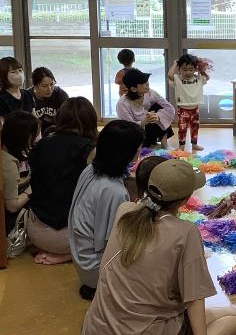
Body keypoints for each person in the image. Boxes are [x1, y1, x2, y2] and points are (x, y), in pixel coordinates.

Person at [80, 159, 236, 335]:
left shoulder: (125, 211)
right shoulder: (185, 232)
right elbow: (195, 299)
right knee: (235, 317)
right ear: (187, 199)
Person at [68, 120, 144, 301]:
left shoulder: (91, 169)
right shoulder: (114, 192)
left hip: (81, 258)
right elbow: (112, 242)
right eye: (138, 148)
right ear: (127, 152)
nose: (140, 151)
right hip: (96, 268)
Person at [28, 97, 98, 265]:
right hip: (71, 239)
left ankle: (59, 253)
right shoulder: (88, 148)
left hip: (35, 234)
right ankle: (67, 255)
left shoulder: (42, 144)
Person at [1, 111, 40, 234]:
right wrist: (31, 190)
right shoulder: (8, 162)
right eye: (33, 136)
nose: (34, 141)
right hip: (6, 222)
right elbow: (12, 207)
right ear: (23, 136)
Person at [117, 68, 174, 148]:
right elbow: (128, 128)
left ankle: (164, 144)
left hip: (148, 129)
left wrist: (157, 117)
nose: (147, 84)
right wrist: (144, 122)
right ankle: (143, 146)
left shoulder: (150, 93)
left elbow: (169, 108)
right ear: (133, 89)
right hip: (134, 135)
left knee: (157, 107)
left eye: (146, 81)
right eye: (143, 83)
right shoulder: (122, 103)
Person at [167, 53, 210, 151]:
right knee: (182, 129)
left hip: (195, 109)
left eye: (191, 69)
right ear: (179, 69)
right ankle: (181, 145)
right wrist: (175, 64)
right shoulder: (178, 79)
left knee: (195, 128)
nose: (188, 72)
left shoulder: (198, 79)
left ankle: (194, 144)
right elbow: (170, 75)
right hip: (183, 110)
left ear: (195, 69)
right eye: (184, 69)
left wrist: (200, 68)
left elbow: (207, 77)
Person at [30, 67, 69, 135]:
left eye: (52, 84)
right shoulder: (27, 97)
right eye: (44, 86)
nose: (49, 89)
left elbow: (69, 117)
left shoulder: (60, 94)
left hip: (57, 133)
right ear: (35, 86)